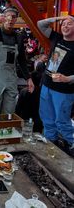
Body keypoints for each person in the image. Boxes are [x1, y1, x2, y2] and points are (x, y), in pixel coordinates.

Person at [37, 15, 74, 156]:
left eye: (69, 24)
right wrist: (58, 18)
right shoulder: (56, 37)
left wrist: (67, 78)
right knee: (47, 119)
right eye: (63, 24)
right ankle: (51, 146)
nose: (65, 26)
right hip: (47, 86)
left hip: (64, 91)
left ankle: (70, 145)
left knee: (62, 122)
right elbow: (40, 24)